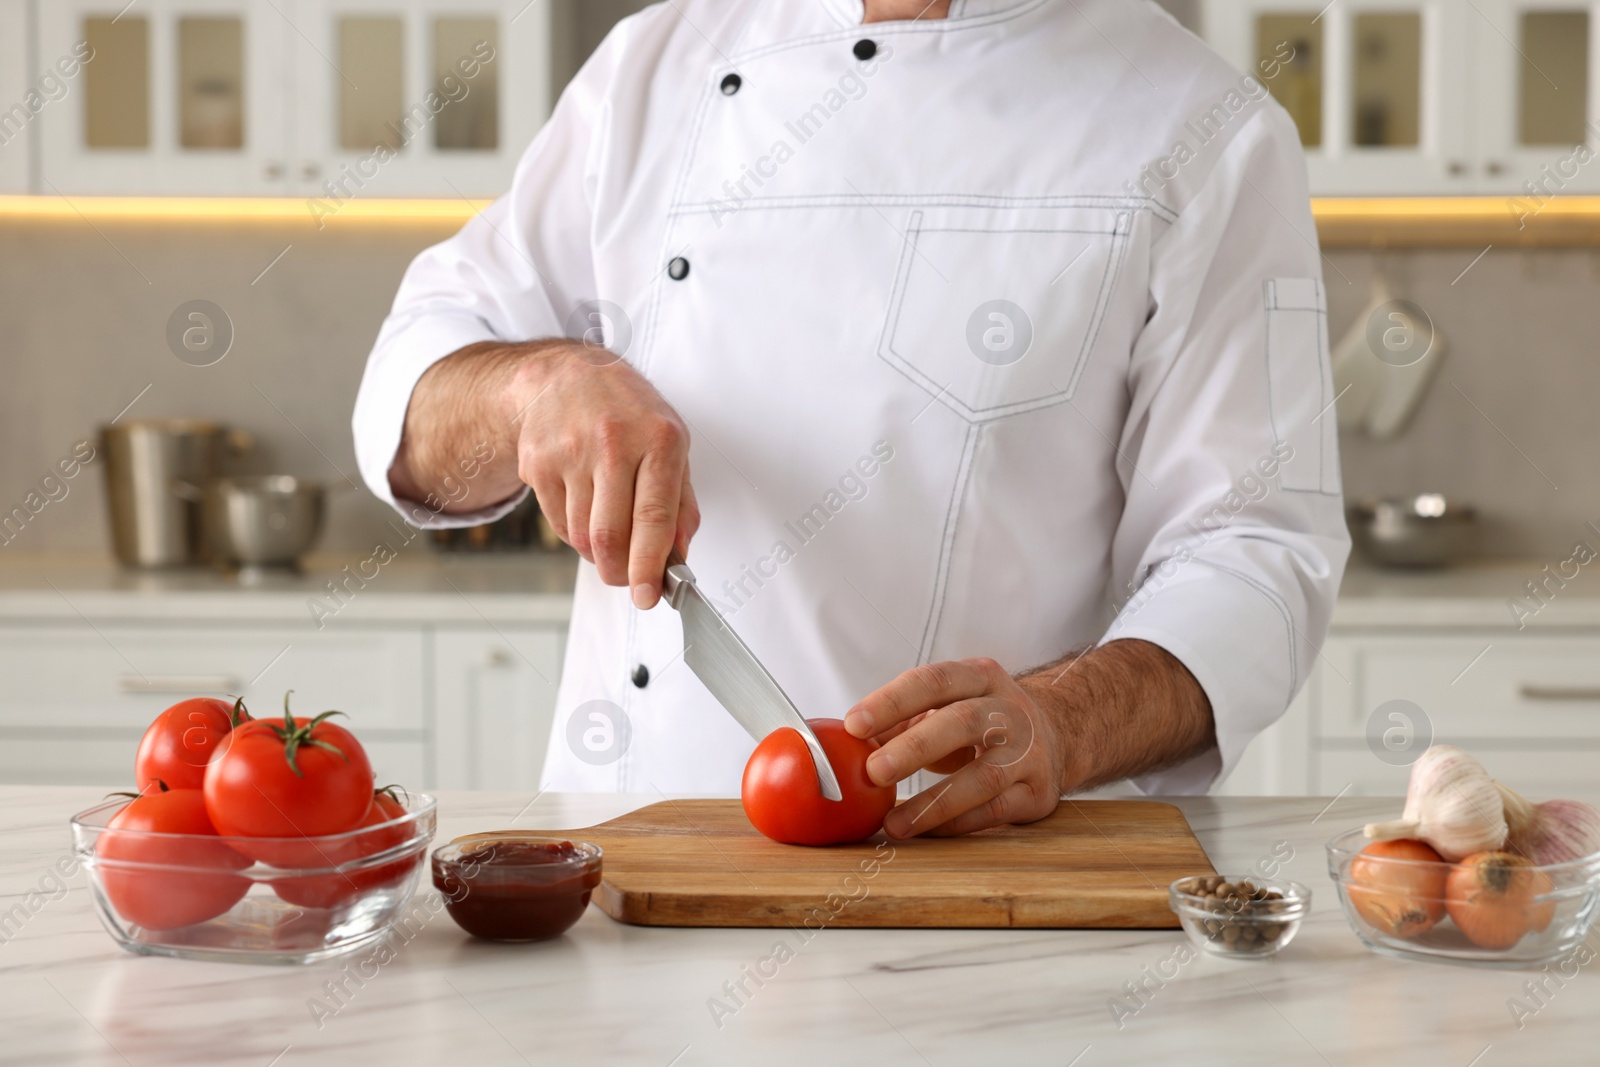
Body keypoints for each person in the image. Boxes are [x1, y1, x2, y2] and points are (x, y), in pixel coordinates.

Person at [353, 0, 1349, 838]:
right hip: (620, 867)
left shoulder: (1207, 128)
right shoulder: (653, 69)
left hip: (969, 879)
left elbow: (1255, 549)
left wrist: (1062, 722)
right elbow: (413, 407)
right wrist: (533, 386)